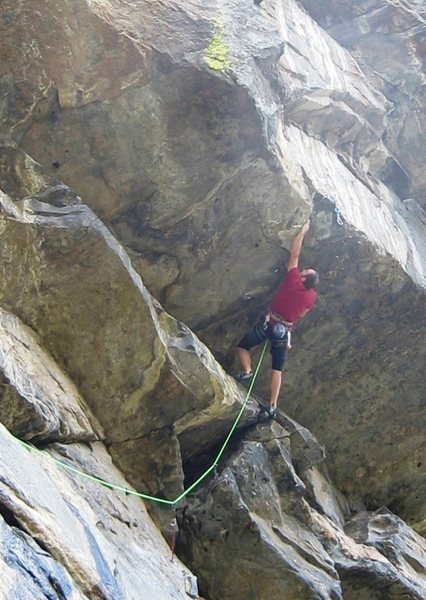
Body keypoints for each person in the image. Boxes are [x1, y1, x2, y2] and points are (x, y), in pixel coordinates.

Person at [236, 221, 318, 418]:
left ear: (304, 279)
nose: (302, 270)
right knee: (277, 369)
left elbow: (294, 255)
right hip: (283, 331)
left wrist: (303, 231)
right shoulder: (311, 296)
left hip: (269, 323)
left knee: (243, 346)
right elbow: (302, 314)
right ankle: (272, 406)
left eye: (304, 272)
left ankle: (247, 371)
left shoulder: (293, 280)